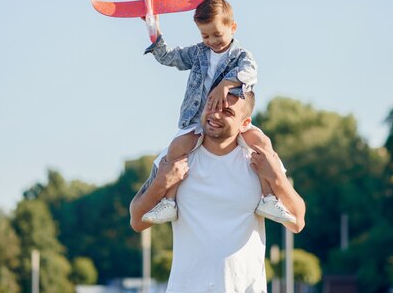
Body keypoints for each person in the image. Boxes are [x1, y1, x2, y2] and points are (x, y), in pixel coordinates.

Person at [130, 91, 306, 293]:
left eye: (227, 112)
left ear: (245, 123)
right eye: (211, 106)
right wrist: (162, 181)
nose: (215, 115)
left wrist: (276, 176)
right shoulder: (176, 155)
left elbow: (298, 221)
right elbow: (137, 220)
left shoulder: (259, 158)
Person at [141, 0, 295, 225]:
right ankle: (169, 202)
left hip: (231, 120)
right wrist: (154, 31)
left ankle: (268, 198)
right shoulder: (199, 53)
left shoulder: (241, 56)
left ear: (232, 28)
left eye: (217, 34)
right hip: (199, 118)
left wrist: (227, 84)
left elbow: (250, 73)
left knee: (261, 142)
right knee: (177, 147)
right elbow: (171, 57)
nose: (211, 40)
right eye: (205, 35)